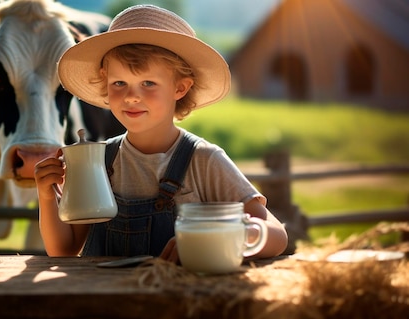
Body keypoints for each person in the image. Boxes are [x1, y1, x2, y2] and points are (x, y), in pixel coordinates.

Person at [34, 4, 288, 262]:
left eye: (148, 83)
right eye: (119, 83)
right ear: (105, 80)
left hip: (180, 300)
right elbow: (64, 249)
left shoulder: (204, 161)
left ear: (180, 88)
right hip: (104, 301)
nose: (132, 96)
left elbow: (276, 236)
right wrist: (46, 195)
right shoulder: (96, 161)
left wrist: (213, 239)